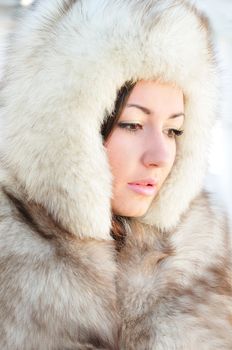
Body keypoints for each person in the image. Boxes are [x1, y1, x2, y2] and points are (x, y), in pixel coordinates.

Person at [0, 0, 231, 349]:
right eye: (133, 124)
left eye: (174, 130)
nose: (159, 157)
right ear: (64, 130)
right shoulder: (9, 258)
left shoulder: (198, 255)